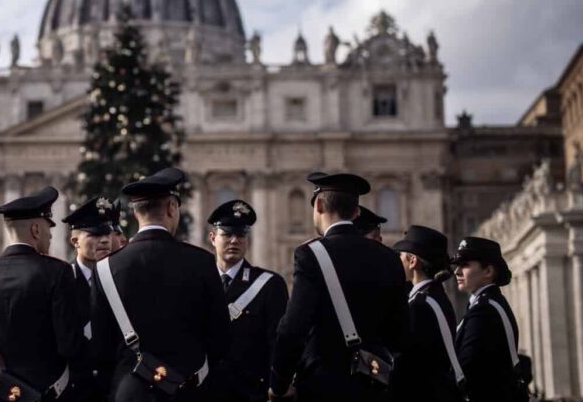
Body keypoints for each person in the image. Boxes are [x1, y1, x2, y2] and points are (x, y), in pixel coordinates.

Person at [91, 168, 230, 402]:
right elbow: (221, 339)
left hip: (129, 392)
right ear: (171, 208)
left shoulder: (106, 268)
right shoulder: (202, 261)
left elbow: (101, 349)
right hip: (189, 389)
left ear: (136, 214)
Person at [269, 173, 408, 402]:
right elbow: (400, 335)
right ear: (356, 213)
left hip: (323, 385)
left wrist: (279, 384)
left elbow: (293, 329)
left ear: (320, 205)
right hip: (375, 385)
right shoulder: (389, 258)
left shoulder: (310, 255)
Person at [0, 187, 84, 402]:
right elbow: (69, 346)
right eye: (48, 229)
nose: (50, 235)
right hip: (48, 393)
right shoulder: (57, 272)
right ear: (36, 229)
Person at [206, 200, 287, 402]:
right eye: (227, 234)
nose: (234, 241)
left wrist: (276, 387)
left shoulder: (269, 285)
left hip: (251, 393)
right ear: (213, 238)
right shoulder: (198, 281)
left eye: (241, 235)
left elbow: (277, 344)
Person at [390, 226, 461, 402]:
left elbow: (408, 366)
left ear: (413, 261)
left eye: (401, 255)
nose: (397, 260)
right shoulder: (434, 296)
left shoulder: (420, 306)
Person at [452, 237, 526, 402]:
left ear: (488, 272)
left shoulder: (485, 310)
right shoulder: (488, 304)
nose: (456, 271)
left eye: (465, 265)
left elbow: (465, 367)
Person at [62, 197, 117, 402]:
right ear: (75, 241)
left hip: (113, 388)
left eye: (107, 233)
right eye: (94, 234)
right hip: (74, 390)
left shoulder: (122, 279)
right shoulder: (62, 281)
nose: (104, 240)